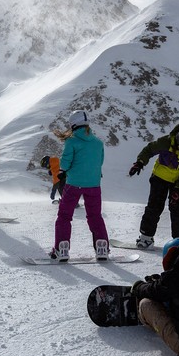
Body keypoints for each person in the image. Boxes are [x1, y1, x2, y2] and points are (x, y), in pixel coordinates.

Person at [49, 110, 110, 261]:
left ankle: (61, 248)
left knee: (64, 216)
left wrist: (63, 171)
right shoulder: (98, 142)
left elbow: (65, 162)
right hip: (94, 185)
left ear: (73, 124)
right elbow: (100, 162)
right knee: (95, 216)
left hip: (74, 184)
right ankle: (102, 247)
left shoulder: (72, 141)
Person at [128, 122, 179, 248]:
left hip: (178, 182)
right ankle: (146, 238)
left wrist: (178, 189)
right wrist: (140, 162)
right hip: (159, 178)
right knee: (154, 207)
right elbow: (149, 149)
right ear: (178, 140)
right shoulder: (165, 142)